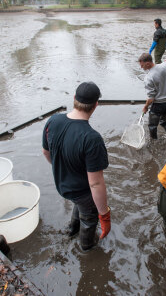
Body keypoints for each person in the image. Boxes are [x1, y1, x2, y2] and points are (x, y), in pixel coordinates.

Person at [42, 82, 111, 251]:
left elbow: (46, 152)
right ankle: (86, 248)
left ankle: (72, 230)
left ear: (74, 99)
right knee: (89, 218)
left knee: (78, 203)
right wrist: (104, 215)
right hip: (82, 192)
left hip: (62, 185)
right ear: (95, 105)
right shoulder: (91, 138)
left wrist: (63, 170)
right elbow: (95, 183)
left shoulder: (53, 120)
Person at [138, 52, 166, 141]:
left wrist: (145, 107)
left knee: (152, 126)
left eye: (142, 65)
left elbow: (151, 99)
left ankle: (153, 144)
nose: (141, 67)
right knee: (164, 122)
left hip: (159, 105)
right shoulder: (164, 65)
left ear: (147, 63)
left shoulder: (148, 78)